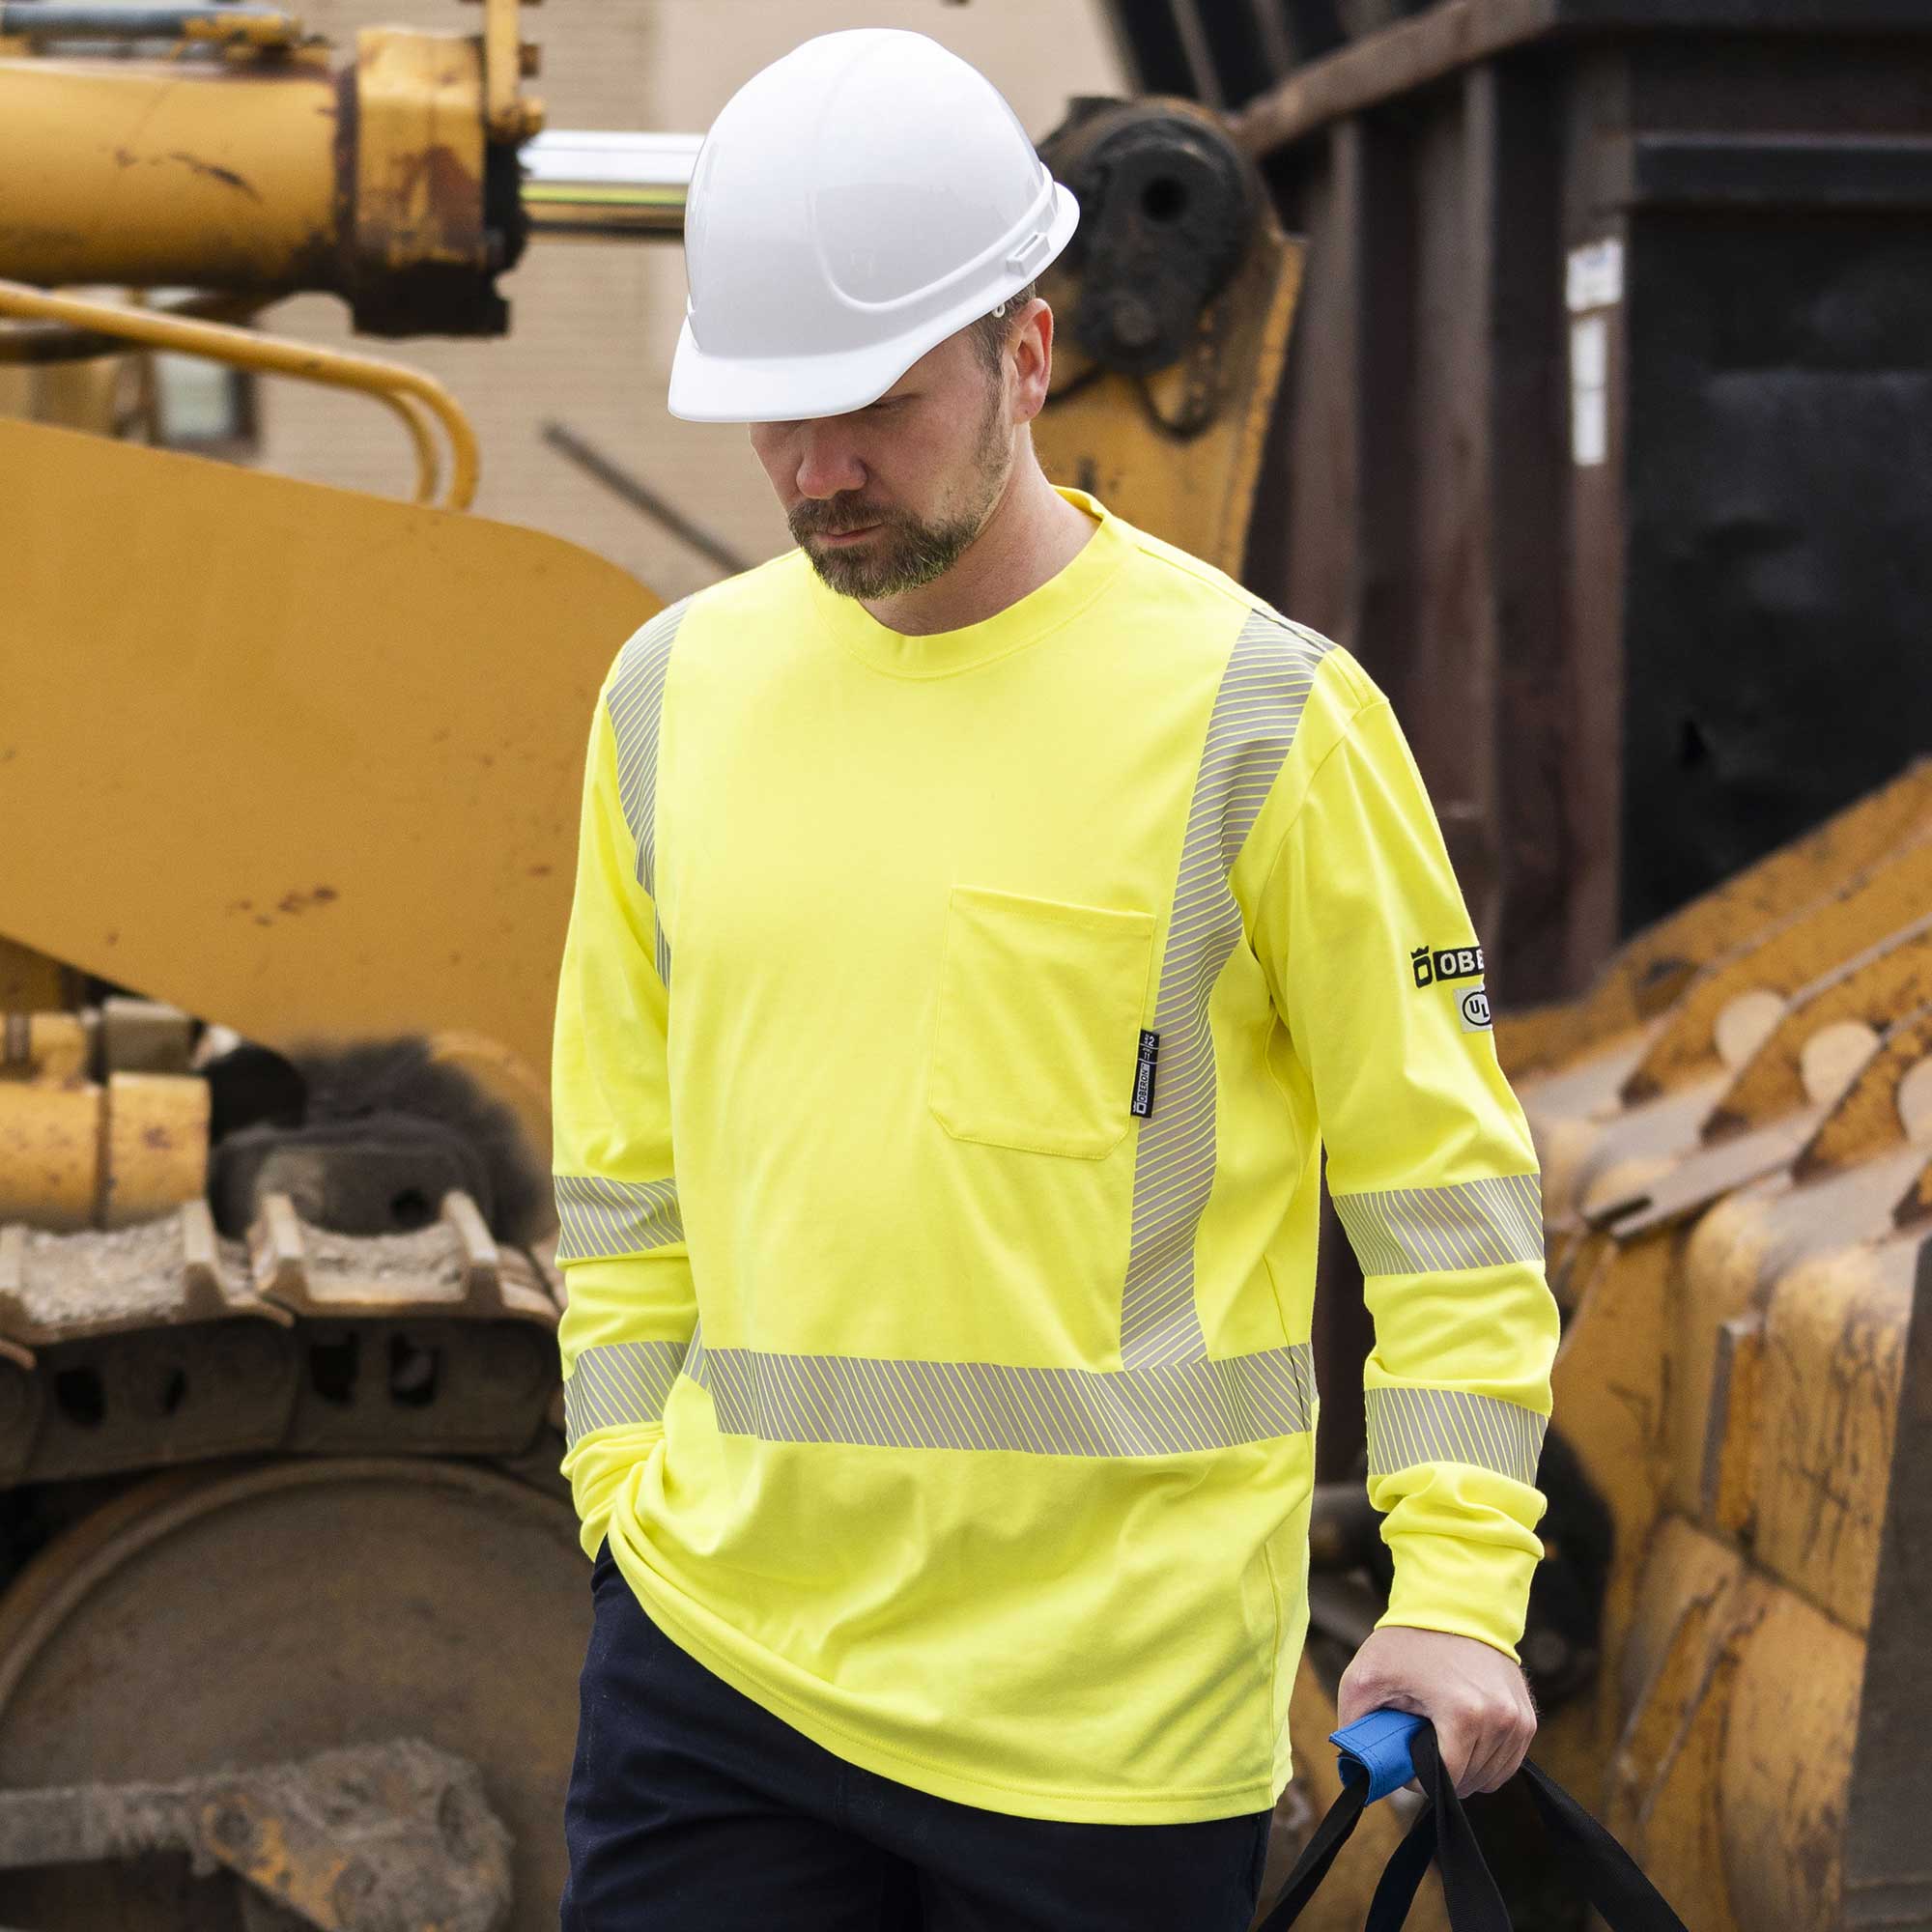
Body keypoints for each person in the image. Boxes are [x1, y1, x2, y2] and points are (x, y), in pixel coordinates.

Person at [551, 27, 1558, 1932]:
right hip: (713, 1672)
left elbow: (1443, 1198)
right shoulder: (667, 697)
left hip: (1105, 1730)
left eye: (875, 404)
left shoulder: (1266, 717)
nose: (816, 470)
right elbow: (618, 1173)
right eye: (773, 415)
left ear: (1025, 355)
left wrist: (1453, 1589)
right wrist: (619, 1500)